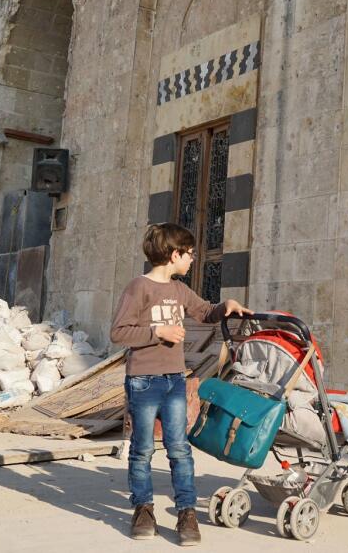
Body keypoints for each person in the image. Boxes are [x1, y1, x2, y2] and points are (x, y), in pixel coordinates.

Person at [111, 223, 250, 545]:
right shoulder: (138, 287)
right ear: (174, 254)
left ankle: (186, 512)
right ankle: (143, 510)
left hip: (175, 380)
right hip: (143, 381)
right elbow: (119, 332)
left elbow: (204, 312)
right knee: (142, 450)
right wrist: (157, 333)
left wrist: (225, 306)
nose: (192, 260)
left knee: (179, 449)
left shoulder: (178, 290)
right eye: (189, 255)